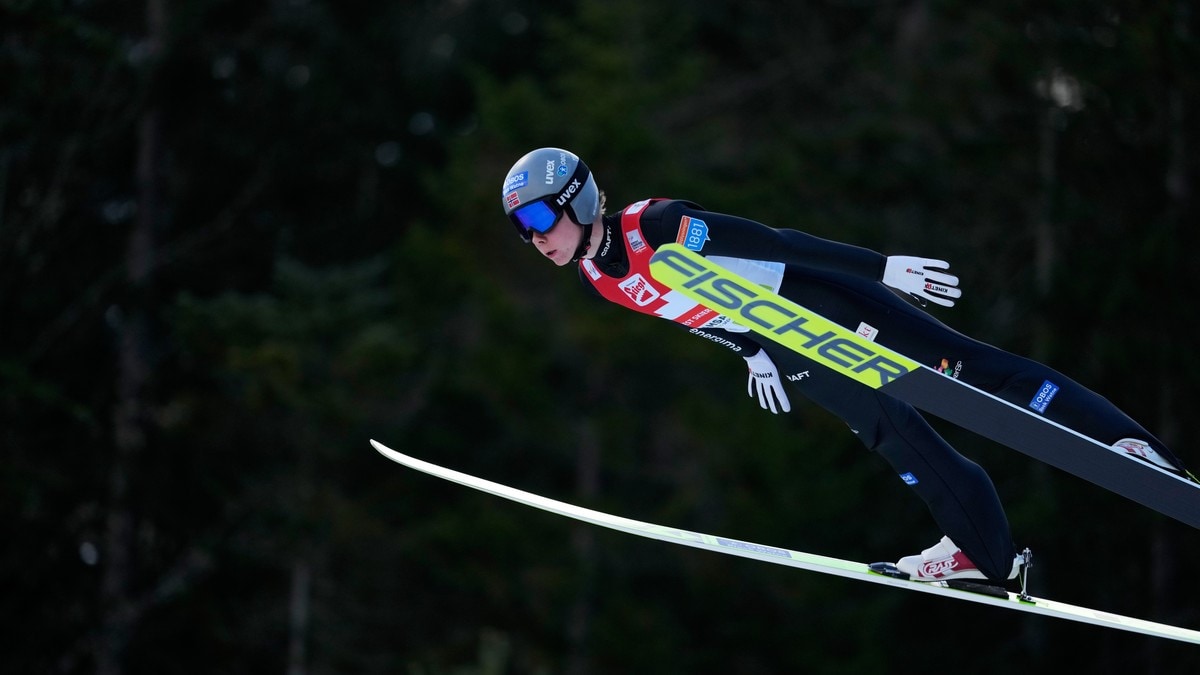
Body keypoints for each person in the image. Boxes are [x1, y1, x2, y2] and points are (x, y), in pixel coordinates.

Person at [499, 147, 1190, 583]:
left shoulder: (655, 226)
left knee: (977, 372)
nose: (535, 240)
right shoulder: (598, 281)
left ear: (577, 202)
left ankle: (1130, 446)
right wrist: (752, 352)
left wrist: (883, 267)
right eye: (522, 230)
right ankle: (988, 553)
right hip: (791, 343)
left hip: (818, 297)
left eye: (538, 220)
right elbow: (693, 316)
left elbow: (777, 242)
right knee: (896, 437)